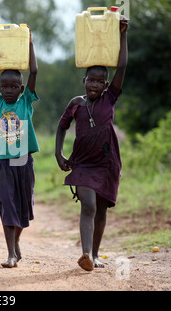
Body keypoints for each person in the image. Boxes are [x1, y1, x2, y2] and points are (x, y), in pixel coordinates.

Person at [55, 18, 128, 271]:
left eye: (99, 81)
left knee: (102, 209)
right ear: (83, 81)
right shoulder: (76, 103)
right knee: (87, 204)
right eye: (90, 80)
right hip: (83, 162)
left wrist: (123, 36)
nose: (94, 84)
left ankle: (95, 254)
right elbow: (62, 126)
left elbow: (122, 66)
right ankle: (85, 254)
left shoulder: (111, 98)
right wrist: (58, 153)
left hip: (107, 162)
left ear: (106, 85)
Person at [0, 24, 40, 268]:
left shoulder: (26, 101)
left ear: (21, 88)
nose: (8, 90)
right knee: (7, 206)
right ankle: (10, 254)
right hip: (3, 162)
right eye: (4, 86)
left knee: (24, 207)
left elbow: (35, 71)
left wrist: (29, 43)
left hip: (24, 161)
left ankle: (16, 244)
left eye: (13, 87)